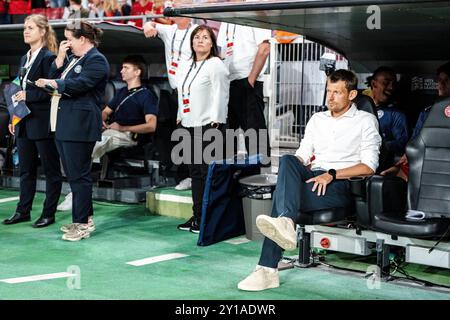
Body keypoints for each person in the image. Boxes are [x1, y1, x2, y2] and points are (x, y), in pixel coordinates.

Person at [238, 69, 381, 291]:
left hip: (341, 182)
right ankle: (285, 224)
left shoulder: (365, 121)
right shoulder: (317, 119)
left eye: (337, 92)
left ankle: (267, 268)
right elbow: (302, 155)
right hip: (313, 176)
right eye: (328, 91)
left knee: (280, 200)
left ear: (352, 95)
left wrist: (331, 174)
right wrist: (294, 173)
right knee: (288, 160)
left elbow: (369, 166)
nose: (330, 97)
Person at [36, 21, 109, 241]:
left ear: (83, 39)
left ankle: (83, 223)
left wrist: (55, 84)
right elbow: (54, 75)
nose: (66, 44)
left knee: (80, 176)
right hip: (64, 123)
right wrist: (58, 60)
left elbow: (80, 84)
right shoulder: (72, 59)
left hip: (80, 124)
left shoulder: (96, 60)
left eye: (70, 39)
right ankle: (83, 218)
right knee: (74, 175)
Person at [57, 55, 158, 211]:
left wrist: (122, 128)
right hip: (112, 131)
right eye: (122, 67)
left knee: (90, 148)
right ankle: (78, 190)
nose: (121, 70)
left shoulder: (147, 95)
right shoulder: (122, 92)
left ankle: (77, 193)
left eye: (126, 68)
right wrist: (101, 121)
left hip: (130, 136)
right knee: (80, 142)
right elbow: (105, 112)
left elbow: (151, 126)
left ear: (137, 72)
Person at [2, 14, 62, 228]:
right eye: (25, 28)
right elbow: (19, 89)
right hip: (25, 121)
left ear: (42, 31)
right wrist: (14, 116)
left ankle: (49, 212)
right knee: (26, 169)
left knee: (50, 169)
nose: (26, 31)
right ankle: (22, 211)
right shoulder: (24, 57)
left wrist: (29, 96)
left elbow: (51, 90)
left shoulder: (48, 57)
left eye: (31, 28)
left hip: (42, 121)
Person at [175, 25, 229, 233]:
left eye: (205, 38)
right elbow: (183, 92)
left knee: (207, 174)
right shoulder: (188, 64)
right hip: (189, 124)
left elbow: (221, 93)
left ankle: (209, 217)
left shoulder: (215, 64)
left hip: (209, 125)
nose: (200, 41)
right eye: (196, 37)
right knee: (195, 174)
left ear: (212, 43)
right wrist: (181, 115)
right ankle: (198, 215)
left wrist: (217, 120)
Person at [143, 16, 197, 191]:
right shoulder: (169, 30)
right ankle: (184, 176)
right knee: (177, 135)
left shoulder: (197, 32)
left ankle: (196, 176)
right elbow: (150, 24)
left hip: (193, 90)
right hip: (175, 92)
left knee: (193, 135)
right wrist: (147, 25)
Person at [380, 62, 450, 181]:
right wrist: (401, 166)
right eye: (439, 80)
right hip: (429, 166)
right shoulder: (427, 113)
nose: (441, 84)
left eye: (447, 80)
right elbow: (415, 145)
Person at [217, 22, 271, 163]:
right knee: (227, 138)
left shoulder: (253, 12)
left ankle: (261, 181)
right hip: (227, 82)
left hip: (247, 80)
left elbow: (264, 48)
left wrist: (251, 79)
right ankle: (228, 181)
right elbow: (221, 51)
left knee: (254, 137)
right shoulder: (224, 18)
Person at [363, 66, 409, 169]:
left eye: (393, 84)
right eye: (386, 82)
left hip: (380, 166)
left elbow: (402, 143)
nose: (391, 87)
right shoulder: (357, 106)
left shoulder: (396, 114)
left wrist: (380, 145)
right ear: (374, 84)